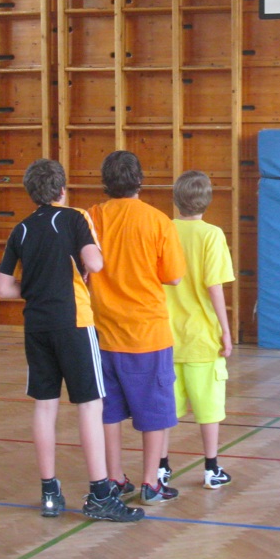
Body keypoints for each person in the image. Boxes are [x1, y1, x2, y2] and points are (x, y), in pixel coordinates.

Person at [0, 158, 144, 523]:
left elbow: (3, 288)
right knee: (90, 405)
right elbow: (95, 263)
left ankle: (49, 492)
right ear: (62, 189)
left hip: (37, 326)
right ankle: (99, 494)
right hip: (74, 323)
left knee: (45, 406)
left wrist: (36, 287)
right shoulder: (76, 217)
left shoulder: (21, 229)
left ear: (31, 193)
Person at [88, 151, 186, 505]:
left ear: (105, 182)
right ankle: (151, 482)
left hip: (103, 333)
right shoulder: (158, 221)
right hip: (148, 334)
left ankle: (114, 477)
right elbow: (173, 276)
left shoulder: (91, 218)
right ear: (140, 181)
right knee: (155, 411)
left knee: (109, 411)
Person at [159, 170, 235, 490]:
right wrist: (226, 330)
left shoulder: (164, 230)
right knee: (208, 407)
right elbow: (214, 285)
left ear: (176, 200)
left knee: (165, 408)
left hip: (165, 335)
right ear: (207, 200)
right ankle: (211, 468)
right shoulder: (212, 235)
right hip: (202, 337)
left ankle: (161, 468)